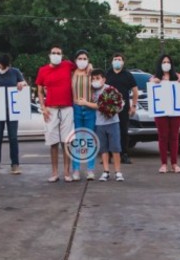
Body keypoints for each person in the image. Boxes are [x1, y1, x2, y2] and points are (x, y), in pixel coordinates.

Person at [35, 46, 77, 182]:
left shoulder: (67, 65)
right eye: (54, 53)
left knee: (67, 142)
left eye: (58, 53)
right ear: (49, 55)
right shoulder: (43, 70)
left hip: (67, 108)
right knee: (53, 142)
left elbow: (82, 65)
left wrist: (90, 66)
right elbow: (40, 91)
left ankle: (66, 172)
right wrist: (43, 107)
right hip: (51, 109)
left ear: (62, 55)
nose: (56, 55)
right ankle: (54, 172)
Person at [76, 69, 124, 182]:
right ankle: (106, 171)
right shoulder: (91, 91)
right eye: (93, 79)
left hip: (113, 122)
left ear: (104, 79)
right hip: (99, 123)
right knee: (103, 149)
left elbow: (102, 105)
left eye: (97, 78)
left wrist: (86, 103)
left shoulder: (110, 90)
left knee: (115, 148)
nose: (95, 81)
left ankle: (118, 172)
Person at [150, 55, 180, 174]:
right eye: (164, 62)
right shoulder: (155, 78)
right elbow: (151, 89)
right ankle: (164, 164)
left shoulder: (178, 77)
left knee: (174, 136)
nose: (166, 63)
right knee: (163, 136)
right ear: (160, 64)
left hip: (175, 111)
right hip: (161, 112)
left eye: (168, 62)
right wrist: (153, 82)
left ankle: (174, 164)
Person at [106, 53, 138, 164]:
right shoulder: (107, 74)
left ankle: (124, 154)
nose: (117, 61)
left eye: (119, 59)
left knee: (123, 131)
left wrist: (133, 106)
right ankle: (108, 155)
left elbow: (135, 91)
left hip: (123, 109)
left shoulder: (128, 75)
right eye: (115, 59)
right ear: (112, 61)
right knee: (109, 131)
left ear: (123, 62)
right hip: (109, 108)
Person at [70, 49, 96, 181]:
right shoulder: (71, 73)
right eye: (79, 58)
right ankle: (76, 170)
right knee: (78, 140)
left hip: (90, 108)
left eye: (85, 58)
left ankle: (90, 169)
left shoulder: (91, 73)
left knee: (90, 140)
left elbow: (99, 84)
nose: (82, 61)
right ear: (75, 60)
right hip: (76, 109)